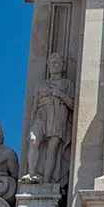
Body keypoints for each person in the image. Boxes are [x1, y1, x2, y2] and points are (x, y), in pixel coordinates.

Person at [21, 52, 74, 184]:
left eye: (57, 63)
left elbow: (73, 104)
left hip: (58, 114)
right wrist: (32, 121)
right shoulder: (40, 85)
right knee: (33, 140)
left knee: (52, 149)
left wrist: (60, 94)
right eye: (51, 63)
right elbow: (34, 106)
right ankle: (31, 173)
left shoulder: (67, 84)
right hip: (41, 114)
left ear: (63, 67)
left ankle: (46, 181)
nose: (54, 65)